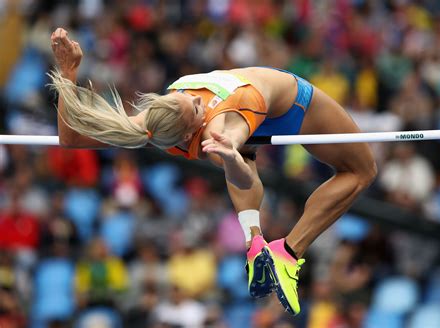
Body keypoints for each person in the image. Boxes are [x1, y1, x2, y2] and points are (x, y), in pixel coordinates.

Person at [50, 27, 377, 315]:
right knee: (361, 171)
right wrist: (231, 158)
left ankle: (255, 241)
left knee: (237, 157)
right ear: (188, 134)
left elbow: (71, 138)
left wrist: (68, 70)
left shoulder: (151, 124)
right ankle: (287, 252)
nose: (195, 100)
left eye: (187, 97)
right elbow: (244, 175)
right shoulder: (217, 126)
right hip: (295, 109)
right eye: (194, 107)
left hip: (261, 111)